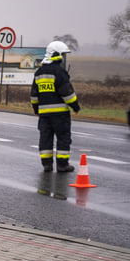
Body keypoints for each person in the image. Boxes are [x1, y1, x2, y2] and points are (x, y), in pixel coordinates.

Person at [30, 41, 80, 172]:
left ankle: (47, 164)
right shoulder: (60, 72)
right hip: (60, 115)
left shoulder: (39, 73)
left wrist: (36, 110)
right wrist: (75, 106)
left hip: (44, 115)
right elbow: (67, 93)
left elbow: (34, 95)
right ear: (56, 55)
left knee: (45, 138)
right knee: (63, 138)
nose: (63, 57)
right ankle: (62, 165)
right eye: (62, 54)